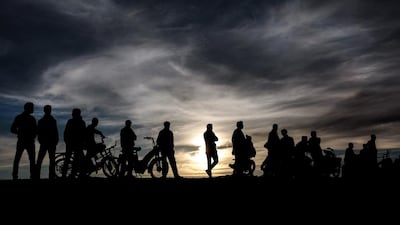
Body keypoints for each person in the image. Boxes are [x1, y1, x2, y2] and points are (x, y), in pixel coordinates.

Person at [10, 102, 37, 180]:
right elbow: (12, 129)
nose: (33, 109)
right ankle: (31, 176)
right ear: (28, 108)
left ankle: (15, 176)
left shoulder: (20, 117)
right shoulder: (30, 119)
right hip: (26, 141)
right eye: (32, 108)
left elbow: (12, 129)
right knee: (28, 159)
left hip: (25, 141)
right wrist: (21, 133)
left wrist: (20, 133)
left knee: (19, 159)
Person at [36, 105, 59, 179]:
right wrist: (56, 140)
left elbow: (38, 132)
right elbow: (55, 132)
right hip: (49, 143)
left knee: (41, 160)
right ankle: (50, 176)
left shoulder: (42, 121)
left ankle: (38, 176)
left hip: (46, 143)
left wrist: (41, 140)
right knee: (50, 160)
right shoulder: (52, 120)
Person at [63, 108, 86, 178]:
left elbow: (66, 132)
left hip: (71, 143)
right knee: (77, 159)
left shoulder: (70, 121)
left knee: (68, 159)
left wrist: (66, 141)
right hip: (77, 144)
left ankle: (66, 174)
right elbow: (84, 134)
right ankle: (73, 174)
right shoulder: (82, 122)